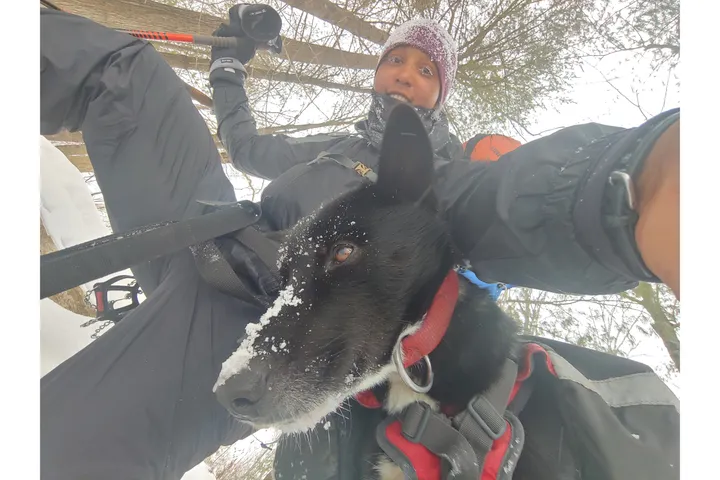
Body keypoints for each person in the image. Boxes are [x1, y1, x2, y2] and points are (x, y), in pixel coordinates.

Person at [39, 5, 679, 480]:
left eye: (424, 69)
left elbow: (502, 204)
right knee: (118, 71)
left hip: (253, 324)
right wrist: (229, 63)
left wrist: (629, 186)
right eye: (394, 60)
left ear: (440, 91)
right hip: (203, 228)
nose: (404, 73)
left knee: (46, 449)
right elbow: (244, 146)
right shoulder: (333, 149)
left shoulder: (439, 179)